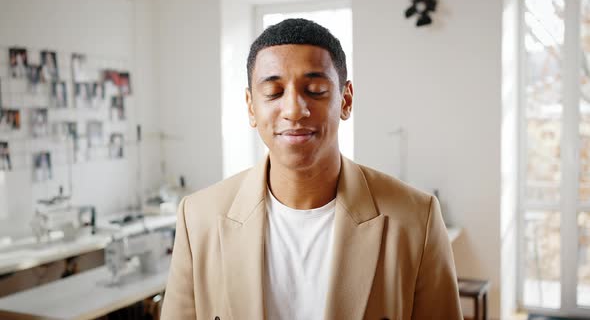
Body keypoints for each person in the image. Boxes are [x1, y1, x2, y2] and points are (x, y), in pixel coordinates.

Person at [161, 18, 462, 320]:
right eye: (274, 92)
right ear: (251, 107)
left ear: (346, 100)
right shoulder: (198, 218)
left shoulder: (416, 218)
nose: (294, 110)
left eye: (316, 90)